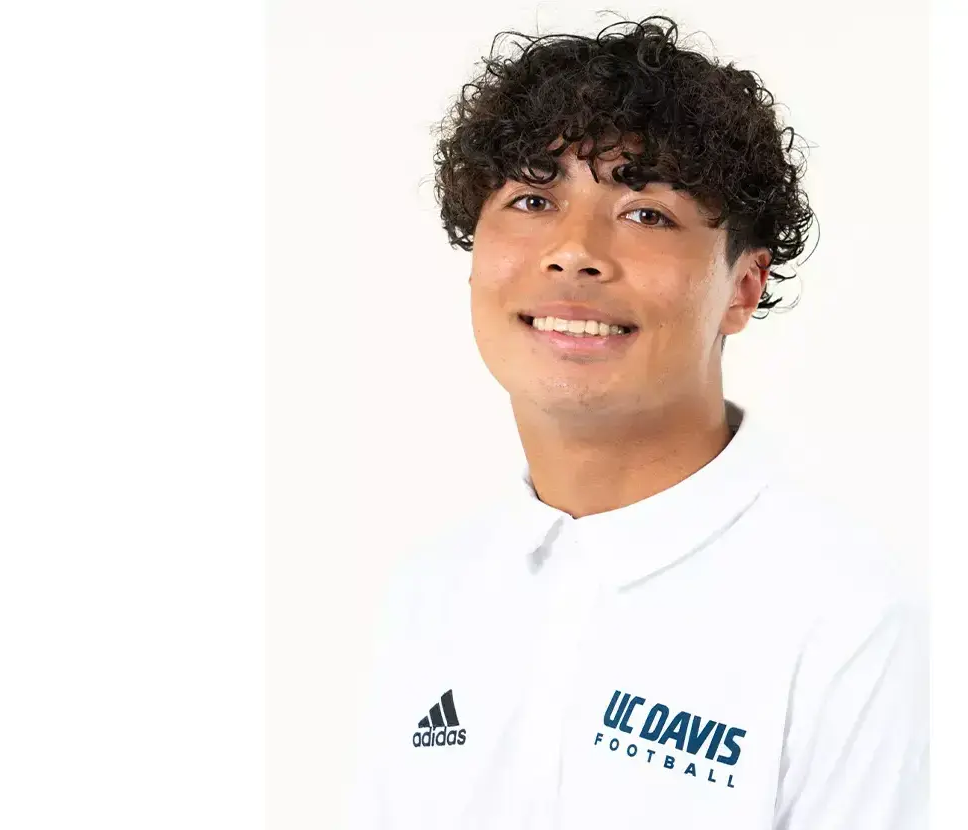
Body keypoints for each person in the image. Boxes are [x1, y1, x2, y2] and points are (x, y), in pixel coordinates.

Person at [345, 15, 927, 830]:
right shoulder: (429, 593)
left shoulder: (853, 616)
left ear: (744, 287)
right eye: (532, 198)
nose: (572, 250)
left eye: (646, 212)